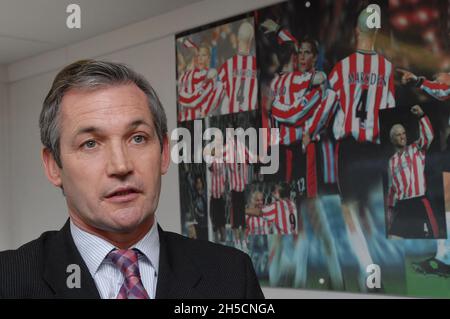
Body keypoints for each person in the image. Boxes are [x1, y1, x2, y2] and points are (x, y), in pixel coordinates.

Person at [0, 60, 264, 299]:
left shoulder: (231, 274)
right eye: (90, 143)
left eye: (138, 138)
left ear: (163, 153)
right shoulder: (8, 281)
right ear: (53, 166)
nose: (121, 165)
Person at [327, 7, 396, 291]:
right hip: (377, 149)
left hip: (350, 150)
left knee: (350, 211)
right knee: (373, 210)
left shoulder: (341, 68)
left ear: (356, 31)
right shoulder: (387, 69)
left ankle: (369, 271)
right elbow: (390, 109)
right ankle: (379, 273)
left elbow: (326, 107)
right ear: (377, 32)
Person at [387, 105, 438, 238]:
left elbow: (429, 137)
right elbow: (392, 187)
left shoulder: (416, 148)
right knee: (394, 238)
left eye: (404, 133)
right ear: (392, 139)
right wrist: (390, 209)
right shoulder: (391, 161)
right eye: (398, 134)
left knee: (422, 239)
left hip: (419, 203)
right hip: (402, 206)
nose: (403, 136)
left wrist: (421, 116)